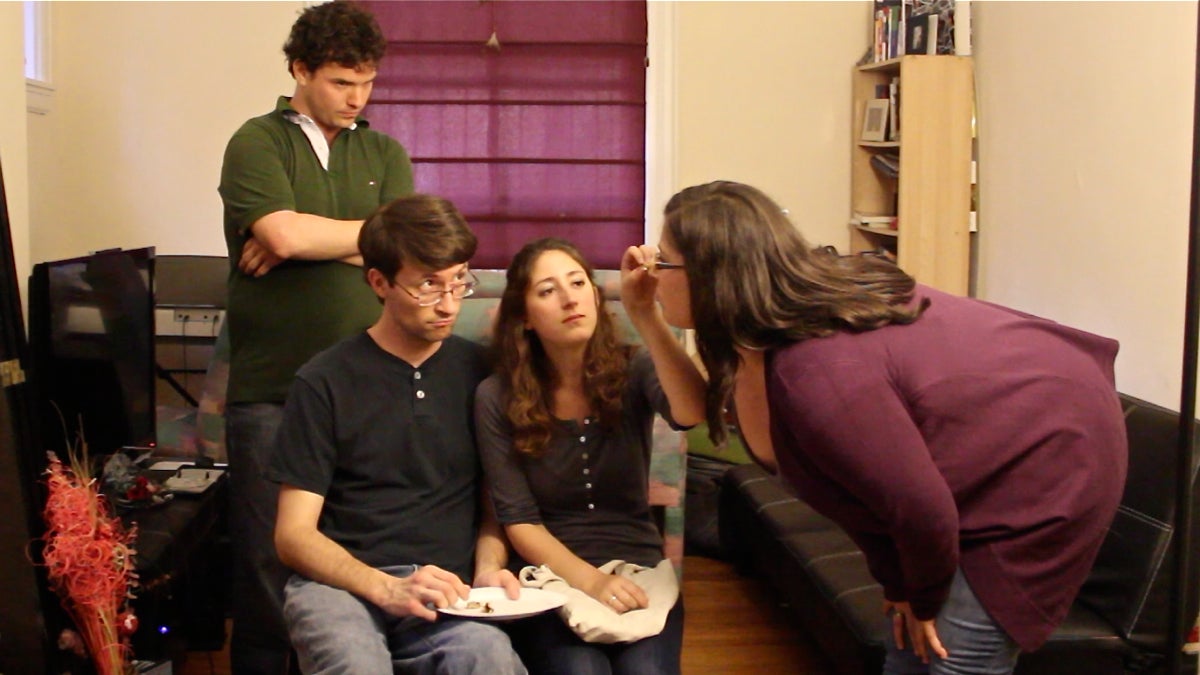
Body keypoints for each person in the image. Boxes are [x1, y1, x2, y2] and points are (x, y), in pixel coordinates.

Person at [651, 180, 1128, 675]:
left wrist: (921, 599)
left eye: (664, 261)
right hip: (977, 464)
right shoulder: (761, 340)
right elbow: (868, 501)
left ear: (712, 278)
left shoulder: (818, 373)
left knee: (951, 656)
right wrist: (899, 587)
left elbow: (922, 512)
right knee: (908, 643)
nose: (652, 271)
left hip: (1051, 455)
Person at [217, 2, 413, 671]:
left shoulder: (383, 151)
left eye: (367, 82)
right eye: (340, 81)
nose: (357, 98)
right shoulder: (256, 141)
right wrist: (304, 236)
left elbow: (401, 247)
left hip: (367, 389)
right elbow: (282, 235)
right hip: (271, 393)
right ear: (300, 68)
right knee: (266, 562)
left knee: (357, 549)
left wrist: (305, 237)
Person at [267, 194, 526, 674]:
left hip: (447, 590)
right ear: (379, 283)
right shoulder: (324, 381)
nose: (448, 305)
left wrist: (489, 567)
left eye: (457, 282)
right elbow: (294, 535)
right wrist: (382, 586)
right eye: (428, 286)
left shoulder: (482, 374)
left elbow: (494, 508)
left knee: (491, 660)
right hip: (340, 587)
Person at [474, 237, 707, 675]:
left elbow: (691, 412)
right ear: (524, 317)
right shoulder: (495, 396)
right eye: (547, 290)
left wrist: (647, 315)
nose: (569, 298)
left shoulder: (634, 368)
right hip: (549, 577)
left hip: (639, 567)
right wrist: (593, 582)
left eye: (578, 282)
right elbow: (519, 520)